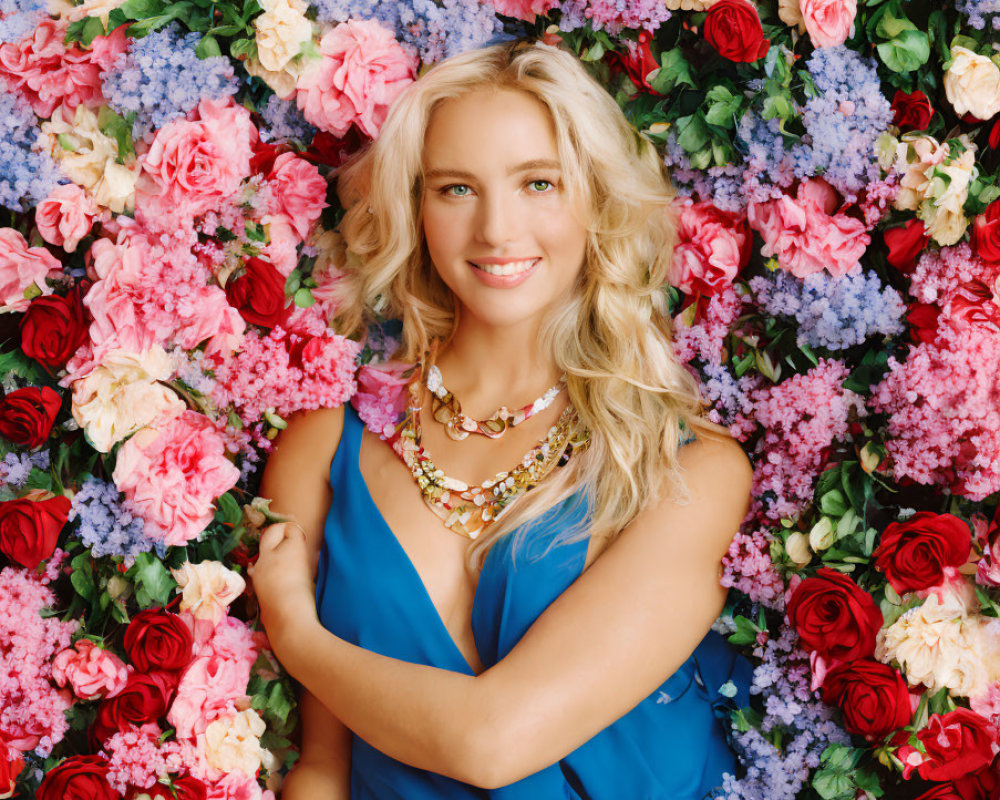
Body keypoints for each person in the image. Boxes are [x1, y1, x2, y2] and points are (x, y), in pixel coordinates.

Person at [251, 40, 754, 800]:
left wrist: (297, 637)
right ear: (416, 208)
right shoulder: (324, 448)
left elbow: (495, 743)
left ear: (596, 199)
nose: (495, 231)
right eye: (457, 189)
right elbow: (322, 770)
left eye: (539, 183)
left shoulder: (686, 471)